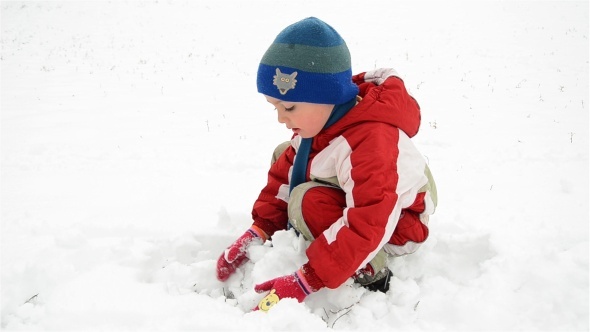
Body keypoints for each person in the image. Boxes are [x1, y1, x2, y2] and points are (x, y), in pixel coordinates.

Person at [215, 17, 437, 312]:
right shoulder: (325, 120)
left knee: (307, 202)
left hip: (400, 221)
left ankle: (372, 269)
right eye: (276, 107)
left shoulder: (371, 142)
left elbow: (370, 217)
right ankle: (315, 233)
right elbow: (288, 169)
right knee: (287, 154)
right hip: (366, 193)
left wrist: (307, 279)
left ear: (327, 97)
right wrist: (261, 228)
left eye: (290, 107)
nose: (281, 117)